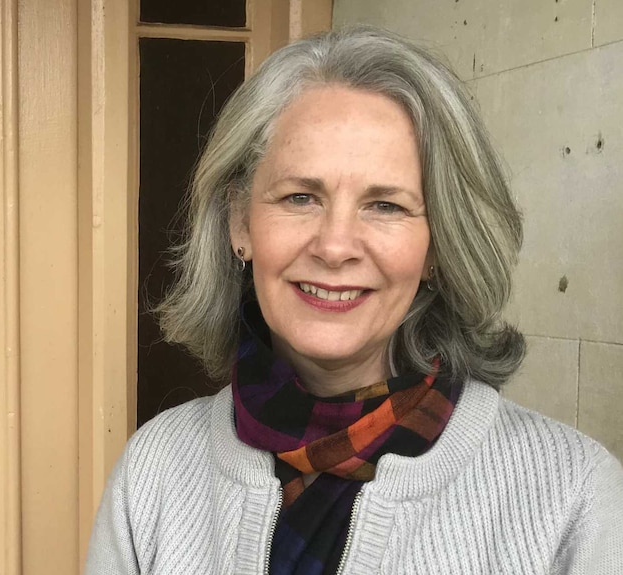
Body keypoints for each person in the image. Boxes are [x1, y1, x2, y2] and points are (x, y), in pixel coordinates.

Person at [85, 26, 623, 574]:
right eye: (300, 197)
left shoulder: (574, 496)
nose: (335, 246)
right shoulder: (154, 470)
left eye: (386, 205)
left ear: (439, 245)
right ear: (239, 223)